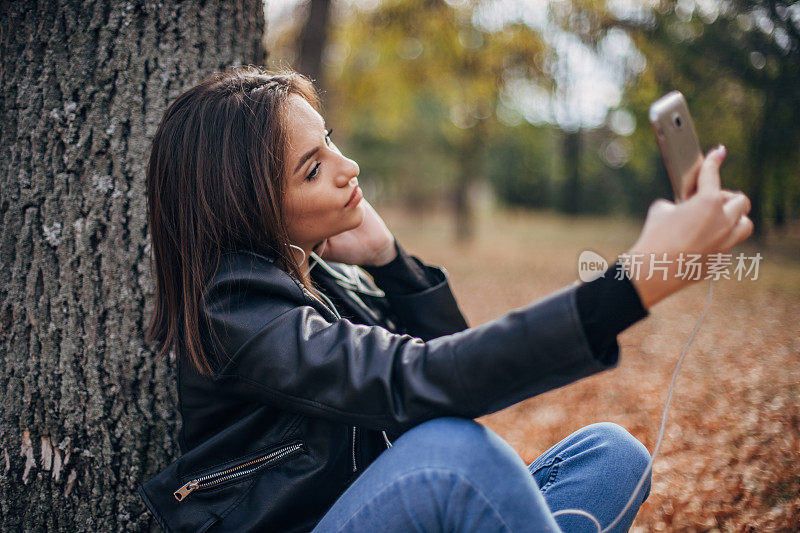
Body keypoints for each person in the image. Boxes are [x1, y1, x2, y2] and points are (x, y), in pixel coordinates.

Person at [140, 66, 753, 532]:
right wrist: (628, 287)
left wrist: (390, 263)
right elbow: (424, 382)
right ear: (251, 208)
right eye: (311, 168)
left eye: (329, 140)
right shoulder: (233, 310)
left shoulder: (319, 277)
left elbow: (448, 373)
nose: (349, 165)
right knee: (449, 458)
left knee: (611, 455)